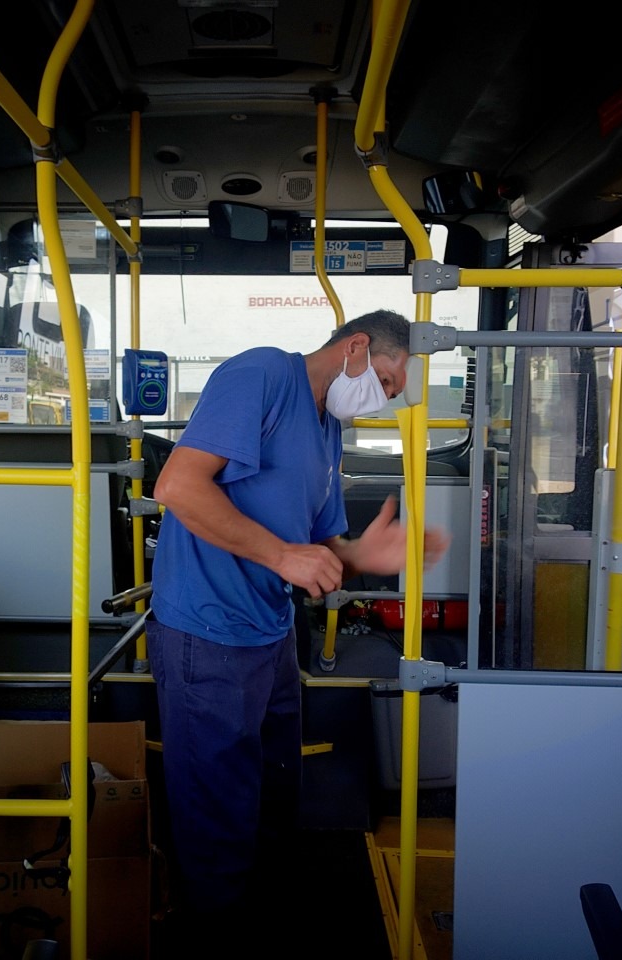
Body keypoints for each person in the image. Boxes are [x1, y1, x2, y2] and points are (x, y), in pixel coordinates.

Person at [147, 308, 450, 953]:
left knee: (274, 793)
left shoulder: (327, 427)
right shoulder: (261, 375)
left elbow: (320, 542)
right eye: (388, 384)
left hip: (268, 630)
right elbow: (178, 486)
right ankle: (214, 935)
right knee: (217, 813)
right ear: (358, 347)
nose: (381, 401)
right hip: (208, 628)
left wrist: (363, 557)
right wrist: (281, 557)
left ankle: (265, 919)